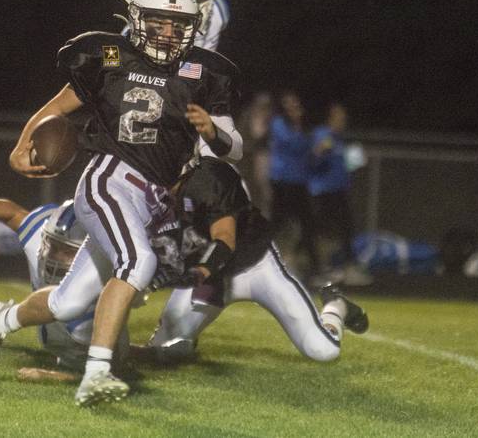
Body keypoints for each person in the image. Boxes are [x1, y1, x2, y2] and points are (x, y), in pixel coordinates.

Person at [0, 0, 242, 406]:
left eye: (178, 25)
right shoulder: (108, 55)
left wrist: (213, 133)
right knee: (138, 262)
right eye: (158, 22)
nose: (168, 33)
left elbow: (234, 147)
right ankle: (95, 375)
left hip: (151, 201)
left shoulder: (204, 73)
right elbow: (58, 106)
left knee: (66, 303)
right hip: (108, 180)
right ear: (136, 18)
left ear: (194, 27)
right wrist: (24, 140)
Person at [143, 156, 369, 364]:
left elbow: (224, 241)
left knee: (323, 350)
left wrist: (193, 274)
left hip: (255, 265)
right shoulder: (145, 191)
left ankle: (335, 305)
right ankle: (186, 334)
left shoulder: (211, 176)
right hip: (209, 277)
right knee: (162, 350)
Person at [0, 194, 129, 381]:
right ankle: (3, 319)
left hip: (81, 334)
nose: (56, 257)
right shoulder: (40, 239)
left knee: (101, 354)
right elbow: (11, 212)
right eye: (54, 246)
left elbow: (113, 371)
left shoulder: (101, 272)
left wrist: (53, 376)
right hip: (56, 329)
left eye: (68, 252)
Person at [309, 102, 372, 285]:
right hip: (322, 191)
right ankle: (319, 270)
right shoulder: (322, 134)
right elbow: (312, 161)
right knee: (322, 232)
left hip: (339, 191)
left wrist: (357, 160)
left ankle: (348, 269)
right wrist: (320, 150)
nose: (342, 121)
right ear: (330, 118)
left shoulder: (340, 139)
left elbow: (347, 166)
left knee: (346, 230)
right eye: (339, 117)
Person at [268, 90, 319, 279]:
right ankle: (257, 257)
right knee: (277, 223)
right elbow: (295, 144)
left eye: (296, 105)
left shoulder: (303, 127)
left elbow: (308, 151)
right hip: (283, 181)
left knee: (307, 223)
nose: (294, 109)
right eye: (289, 105)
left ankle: (315, 267)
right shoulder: (278, 124)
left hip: (299, 181)